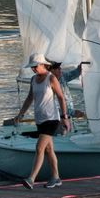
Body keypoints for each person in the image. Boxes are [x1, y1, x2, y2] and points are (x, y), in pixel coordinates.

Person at [14, 52, 70, 188]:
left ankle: (31, 179)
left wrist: (64, 118)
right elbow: (29, 98)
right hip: (40, 120)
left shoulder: (51, 78)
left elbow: (61, 98)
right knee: (49, 150)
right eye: (31, 67)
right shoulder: (33, 79)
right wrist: (20, 115)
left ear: (42, 64)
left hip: (52, 119)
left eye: (35, 66)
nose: (33, 69)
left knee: (39, 148)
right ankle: (56, 178)